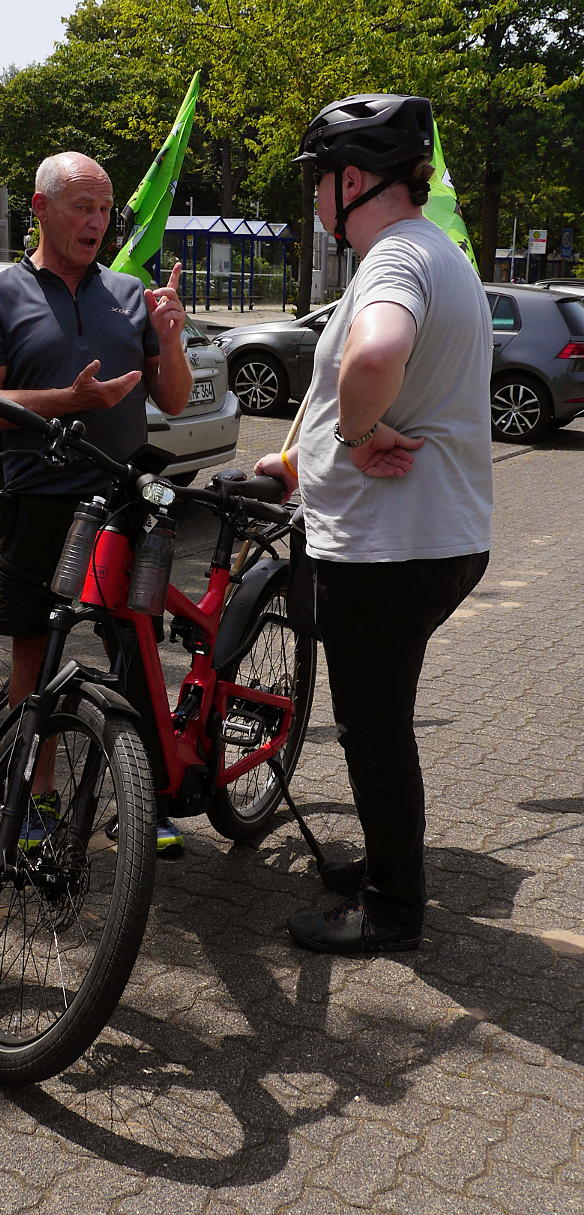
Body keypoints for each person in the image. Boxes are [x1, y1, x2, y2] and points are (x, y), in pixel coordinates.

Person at [256, 94, 493, 953]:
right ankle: (391, 867)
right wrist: (301, 459)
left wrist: (355, 435)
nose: (314, 198)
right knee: (379, 722)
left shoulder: (394, 260)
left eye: (318, 181)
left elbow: (378, 354)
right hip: (430, 536)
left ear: (352, 180)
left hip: (389, 548)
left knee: (375, 730)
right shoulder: (432, 252)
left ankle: (393, 910)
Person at [0, 151, 192, 854]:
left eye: (104, 208)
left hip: (123, 501)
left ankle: (143, 798)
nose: (98, 220)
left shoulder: (129, 292)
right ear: (40, 209)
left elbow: (173, 398)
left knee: (136, 649)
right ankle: (37, 801)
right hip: (41, 501)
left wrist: (173, 339)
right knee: (35, 650)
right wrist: (71, 402)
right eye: (82, 207)